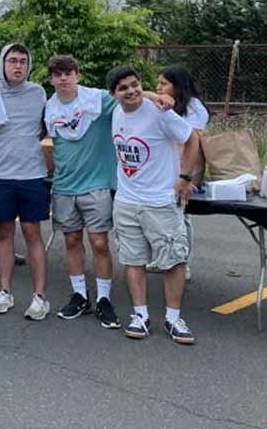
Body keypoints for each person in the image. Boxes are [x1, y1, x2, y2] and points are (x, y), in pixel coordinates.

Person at [108, 65, 199, 345]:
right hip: (126, 200)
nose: (132, 91)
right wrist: (147, 94)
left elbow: (192, 138)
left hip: (160, 202)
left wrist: (185, 178)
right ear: (114, 94)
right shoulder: (115, 112)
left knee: (173, 261)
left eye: (136, 84)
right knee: (132, 260)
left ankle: (173, 318)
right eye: (123, 88)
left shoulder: (159, 113)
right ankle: (140, 315)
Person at [43, 55, 121, 328]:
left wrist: (158, 98)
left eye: (68, 73)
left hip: (96, 184)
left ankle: (103, 299)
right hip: (64, 186)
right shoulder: (49, 107)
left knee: (99, 243)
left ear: (77, 74)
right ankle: (79, 295)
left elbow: (129, 99)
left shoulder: (97, 99)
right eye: (57, 74)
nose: (63, 78)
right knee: (72, 241)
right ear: (51, 79)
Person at [0, 43, 50, 320]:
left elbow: (46, 127)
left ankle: (39, 296)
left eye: (23, 60)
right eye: (12, 60)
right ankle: (4, 291)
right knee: (5, 232)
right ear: (3, 63)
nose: (18, 66)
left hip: (32, 174)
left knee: (33, 233)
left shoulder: (39, 93)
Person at [153, 64, 209, 279]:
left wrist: (185, 177)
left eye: (164, 83)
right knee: (163, 217)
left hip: (185, 172)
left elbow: (189, 143)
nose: (158, 87)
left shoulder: (194, 108)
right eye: (157, 83)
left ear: (178, 86)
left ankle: (182, 263)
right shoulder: (166, 104)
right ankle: (163, 258)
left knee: (181, 217)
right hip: (165, 170)